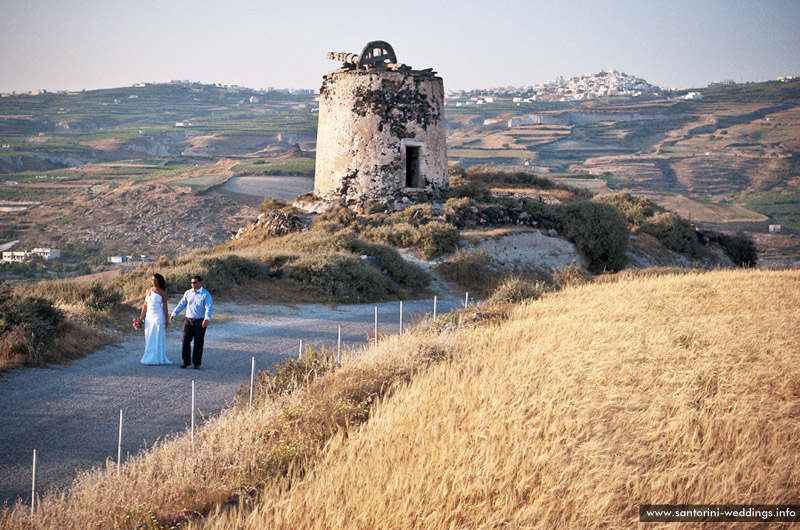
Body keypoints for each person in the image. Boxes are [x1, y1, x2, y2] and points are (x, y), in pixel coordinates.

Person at [170, 275, 213, 369]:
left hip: (199, 321)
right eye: (192, 282)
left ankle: (197, 363)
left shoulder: (206, 294)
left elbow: (208, 308)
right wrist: (174, 313)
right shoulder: (188, 293)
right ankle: (186, 361)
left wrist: (206, 319)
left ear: (200, 283)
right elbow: (182, 304)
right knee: (185, 341)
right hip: (188, 320)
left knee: (198, 342)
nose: (193, 284)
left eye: (195, 282)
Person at [140, 273, 171, 365]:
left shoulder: (162, 292)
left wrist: (166, 320)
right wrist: (140, 318)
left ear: (159, 281)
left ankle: (157, 358)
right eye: (152, 279)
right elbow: (145, 305)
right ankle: (149, 357)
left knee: (156, 335)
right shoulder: (148, 290)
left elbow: (165, 307)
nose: (153, 281)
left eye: (155, 280)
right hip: (149, 316)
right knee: (149, 335)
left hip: (158, 315)